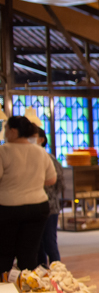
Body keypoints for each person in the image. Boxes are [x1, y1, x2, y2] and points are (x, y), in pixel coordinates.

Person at [0, 116, 57, 276]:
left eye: (5, 129)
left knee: (5, 254)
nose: (4, 132)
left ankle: (5, 288)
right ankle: (29, 287)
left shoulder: (4, 151)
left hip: (8, 208)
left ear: (13, 131)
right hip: (38, 206)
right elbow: (51, 179)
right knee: (29, 255)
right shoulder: (40, 151)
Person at [35, 129, 63, 266]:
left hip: (50, 206)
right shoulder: (30, 157)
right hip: (35, 206)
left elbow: (59, 182)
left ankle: (57, 273)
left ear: (41, 139)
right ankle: (41, 273)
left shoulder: (49, 158)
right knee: (38, 245)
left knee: (49, 242)